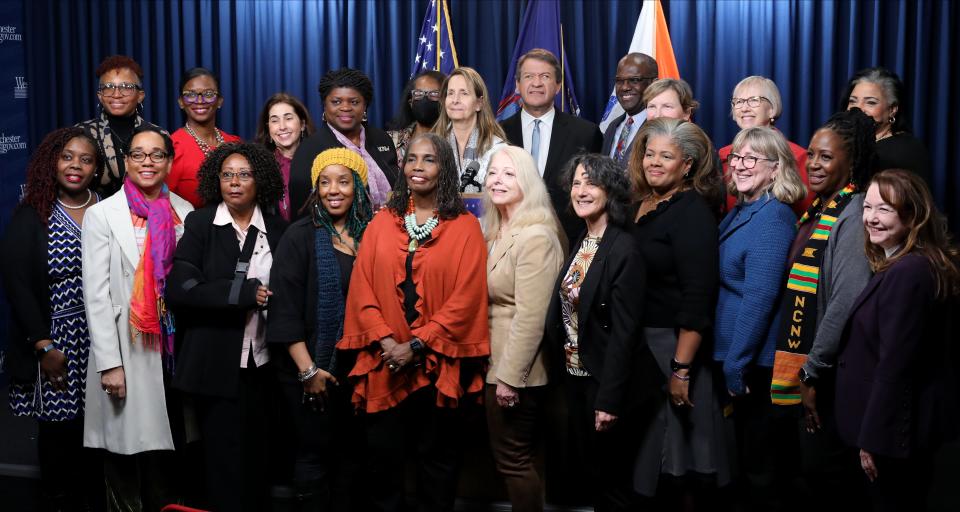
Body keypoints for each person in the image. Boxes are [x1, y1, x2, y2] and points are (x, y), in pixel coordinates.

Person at [337, 133, 489, 511]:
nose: (418, 167)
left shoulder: (465, 226)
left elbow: (466, 299)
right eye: (411, 159)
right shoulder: (382, 223)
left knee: (436, 467)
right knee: (383, 466)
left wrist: (418, 344)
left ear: (445, 169)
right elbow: (362, 289)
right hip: (384, 362)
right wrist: (388, 343)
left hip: (437, 365)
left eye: (429, 160)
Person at [166, 143, 287, 511]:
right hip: (216, 362)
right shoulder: (201, 223)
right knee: (221, 458)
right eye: (227, 175)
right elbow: (182, 290)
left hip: (264, 362)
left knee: (259, 455)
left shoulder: (280, 231)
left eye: (244, 175)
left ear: (260, 180)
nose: (234, 182)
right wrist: (246, 293)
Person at [81, 125, 194, 509]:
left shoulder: (185, 211)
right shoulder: (102, 215)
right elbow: (96, 296)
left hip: (173, 347)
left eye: (157, 154)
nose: (148, 162)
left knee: (170, 449)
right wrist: (110, 365)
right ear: (126, 161)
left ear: (169, 161)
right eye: (139, 154)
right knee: (125, 452)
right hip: (127, 347)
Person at [835, 169, 960, 511]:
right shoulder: (907, 264)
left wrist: (873, 439)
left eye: (884, 210)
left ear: (912, 216)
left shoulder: (909, 273)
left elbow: (896, 364)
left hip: (893, 437)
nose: (871, 219)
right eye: (868, 207)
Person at [769, 108, 876, 508]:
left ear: (853, 163)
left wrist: (812, 373)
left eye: (826, 157)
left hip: (829, 376)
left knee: (827, 481)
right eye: (811, 154)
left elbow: (846, 301)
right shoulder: (817, 210)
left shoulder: (854, 213)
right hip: (809, 367)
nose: (813, 163)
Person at [543, 154, 659, 510]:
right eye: (576, 183)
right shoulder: (583, 238)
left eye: (591, 183)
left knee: (613, 483)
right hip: (578, 376)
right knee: (593, 475)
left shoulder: (624, 248)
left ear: (610, 191)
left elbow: (625, 333)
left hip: (608, 384)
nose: (581, 191)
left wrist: (608, 400)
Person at [1, 127, 104, 511]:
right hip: (56, 335)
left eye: (86, 159)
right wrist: (43, 345)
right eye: (67, 157)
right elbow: (17, 283)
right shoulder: (35, 213)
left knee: (99, 427)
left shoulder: (108, 206)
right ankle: (58, 500)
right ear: (53, 163)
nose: (75, 165)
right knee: (60, 429)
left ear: (96, 168)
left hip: (102, 336)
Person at [628, 117, 730, 503]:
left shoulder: (692, 213)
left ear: (686, 164)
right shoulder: (640, 203)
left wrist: (681, 369)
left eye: (666, 156)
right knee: (643, 462)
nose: (654, 162)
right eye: (650, 153)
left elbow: (698, 296)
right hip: (639, 346)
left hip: (670, 348)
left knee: (674, 465)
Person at [267, 147, 374, 511]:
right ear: (315, 189)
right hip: (310, 369)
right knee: (314, 454)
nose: (333, 190)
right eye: (324, 182)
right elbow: (284, 312)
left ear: (358, 187)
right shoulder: (299, 236)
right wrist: (308, 370)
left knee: (354, 457)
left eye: (343, 181)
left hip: (359, 371)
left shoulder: (373, 237)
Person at [712, 127, 806, 509]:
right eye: (736, 157)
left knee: (761, 467)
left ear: (775, 169)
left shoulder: (773, 217)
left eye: (752, 158)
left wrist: (736, 364)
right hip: (738, 356)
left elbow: (761, 296)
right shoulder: (742, 210)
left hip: (755, 363)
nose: (740, 165)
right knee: (744, 463)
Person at [481, 146, 565, 512]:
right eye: (493, 173)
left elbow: (531, 317)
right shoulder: (498, 228)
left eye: (509, 174)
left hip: (517, 370)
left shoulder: (536, 237)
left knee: (514, 462)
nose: (497, 180)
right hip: (495, 360)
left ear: (527, 182)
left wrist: (509, 378)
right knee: (517, 461)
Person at [499, 48, 603, 242]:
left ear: (557, 86)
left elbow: (597, 194)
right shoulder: (498, 134)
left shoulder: (586, 133)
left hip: (570, 244)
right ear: (517, 85)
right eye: (529, 76)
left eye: (545, 76)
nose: (536, 83)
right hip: (509, 240)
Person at [289, 68, 399, 216]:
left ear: (365, 105)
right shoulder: (309, 149)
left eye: (354, 102)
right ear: (325, 105)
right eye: (336, 102)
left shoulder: (382, 138)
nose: (345, 107)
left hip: (389, 231)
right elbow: (301, 211)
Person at [718, 76, 814, 214]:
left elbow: (804, 213)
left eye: (754, 101)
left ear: (772, 109)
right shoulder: (724, 155)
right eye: (738, 102)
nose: (744, 108)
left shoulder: (798, 156)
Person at [77, 55, 167, 197]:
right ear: (100, 95)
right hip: (95, 213)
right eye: (108, 87)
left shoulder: (158, 135)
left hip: (148, 214)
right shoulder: (82, 134)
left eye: (126, 87)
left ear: (140, 95)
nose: (116, 94)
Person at [842, 67, 932, 184]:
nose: (858, 108)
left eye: (871, 102)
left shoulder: (904, 151)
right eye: (852, 101)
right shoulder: (853, 143)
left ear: (892, 109)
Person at [168, 67, 243, 208]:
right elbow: (163, 204)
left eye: (209, 94)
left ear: (220, 101)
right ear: (181, 102)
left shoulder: (235, 143)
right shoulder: (172, 147)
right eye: (190, 94)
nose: (200, 100)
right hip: (189, 228)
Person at [433, 66, 508, 193]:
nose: (455, 100)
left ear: (479, 103)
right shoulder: (432, 145)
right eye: (450, 93)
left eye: (464, 93)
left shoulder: (498, 149)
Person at [256, 93, 317, 221]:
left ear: (302, 124)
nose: (282, 126)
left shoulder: (320, 161)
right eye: (274, 120)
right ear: (268, 128)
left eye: (288, 118)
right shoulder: (258, 165)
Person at [601, 53, 660, 165]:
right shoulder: (612, 126)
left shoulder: (660, 127)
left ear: (654, 83)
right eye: (619, 81)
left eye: (634, 80)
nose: (625, 87)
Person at [386, 70, 445, 169]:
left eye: (434, 94)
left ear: (444, 101)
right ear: (410, 102)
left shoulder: (455, 142)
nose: (425, 99)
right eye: (418, 93)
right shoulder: (390, 140)